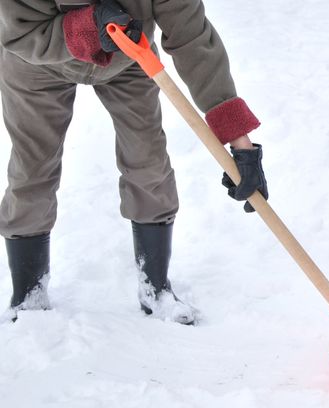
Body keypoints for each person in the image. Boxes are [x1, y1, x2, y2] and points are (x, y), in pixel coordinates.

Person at [0, 0, 269, 324]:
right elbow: (20, 30)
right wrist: (86, 25)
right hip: (37, 62)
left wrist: (240, 141)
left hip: (127, 55)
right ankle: (28, 296)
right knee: (33, 169)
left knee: (148, 163)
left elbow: (192, 38)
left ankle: (155, 288)